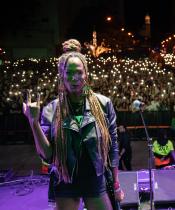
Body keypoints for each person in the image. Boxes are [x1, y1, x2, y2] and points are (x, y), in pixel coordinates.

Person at [22, 39, 124, 210]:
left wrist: (115, 182)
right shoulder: (51, 110)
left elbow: (113, 146)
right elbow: (47, 156)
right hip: (65, 180)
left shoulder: (103, 104)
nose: (74, 78)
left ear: (86, 74)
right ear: (62, 75)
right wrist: (34, 122)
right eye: (68, 73)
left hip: (94, 177)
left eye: (78, 72)